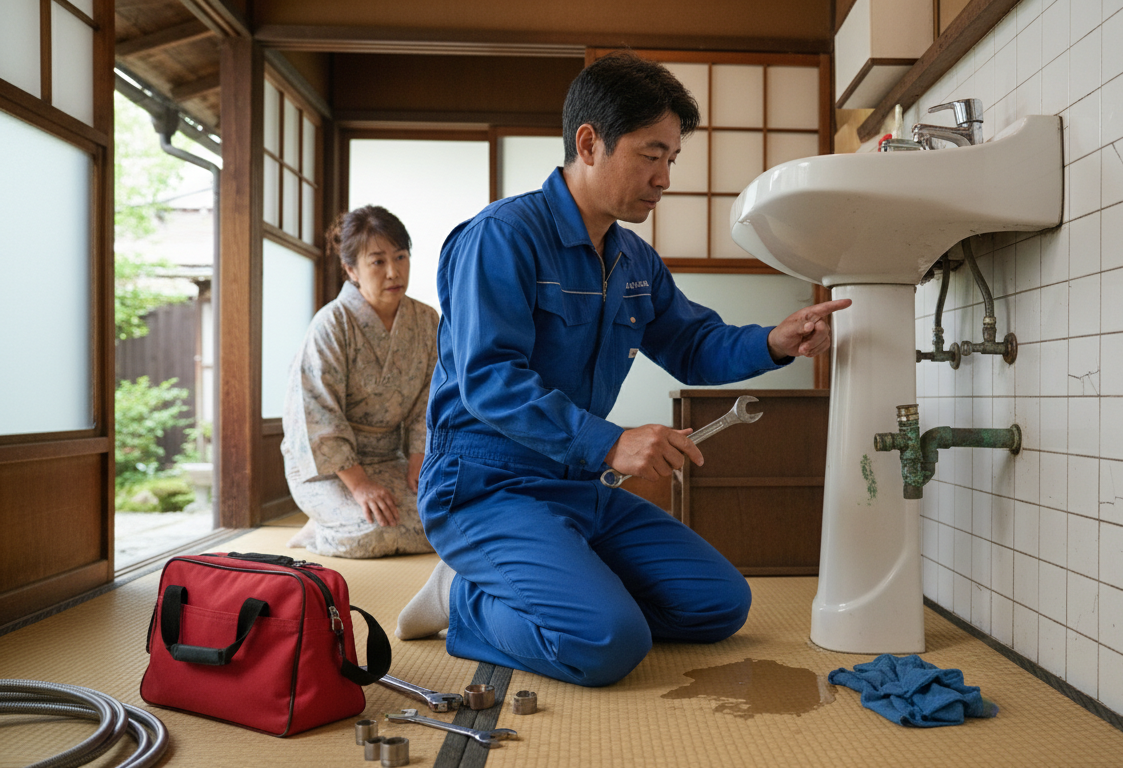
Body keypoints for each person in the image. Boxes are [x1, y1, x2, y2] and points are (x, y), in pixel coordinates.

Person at [396, 53, 850, 685]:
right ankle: (463, 600)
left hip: (576, 483)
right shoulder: (501, 236)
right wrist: (612, 442)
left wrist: (775, 340)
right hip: (484, 485)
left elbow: (694, 343)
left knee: (721, 603)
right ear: (589, 142)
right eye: (650, 154)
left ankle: (553, 580)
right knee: (608, 642)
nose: (665, 177)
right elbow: (488, 378)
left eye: (672, 160)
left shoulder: (635, 260)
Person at [281, 205, 438, 559]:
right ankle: (320, 527)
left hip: (391, 458)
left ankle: (335, 520)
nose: (394, 272)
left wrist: (419, 459)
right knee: (372, 534)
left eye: (401, 257)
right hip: (330, 468)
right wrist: (361, 485)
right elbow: (316, 413)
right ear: (351, 270)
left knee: (443, 523)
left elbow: (431, 399)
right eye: (378, 262)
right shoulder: (331, 325)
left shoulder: (427, 321)